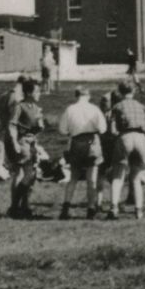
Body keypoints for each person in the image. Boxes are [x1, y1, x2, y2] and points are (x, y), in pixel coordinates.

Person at [58, 87, 108, 220]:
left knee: (73, 176)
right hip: (92, 142)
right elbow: (103, 129)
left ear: (76, 95)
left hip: (75, 143)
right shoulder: (95, 109)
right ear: (88, 95)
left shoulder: (70, 109)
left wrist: (73, 131)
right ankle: (91, 208)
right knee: (91, 177)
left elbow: (62, 130)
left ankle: (66, 207)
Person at [109, 81, 145, 219]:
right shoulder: (142, 106)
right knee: (136, 177)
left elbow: (113, 130)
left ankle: (114, 208)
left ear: (120, 92)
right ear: (134, 92)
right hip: (140, 138)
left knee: (118, 176)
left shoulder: (117, 107)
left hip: (125, 137)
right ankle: (139, 210)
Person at [6, 78, 47, 218]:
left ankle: (23, 206)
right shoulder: (19, 106)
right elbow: (12, 125)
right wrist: (15, 143)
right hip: (22, 142)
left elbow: (37, 127)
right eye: (37, 91)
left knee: (31, 175)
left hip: (32, 142)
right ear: (29, 93)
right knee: (24, 174)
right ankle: (16, 207)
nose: (39, 93)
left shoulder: (36, 108)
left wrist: (40, 125)